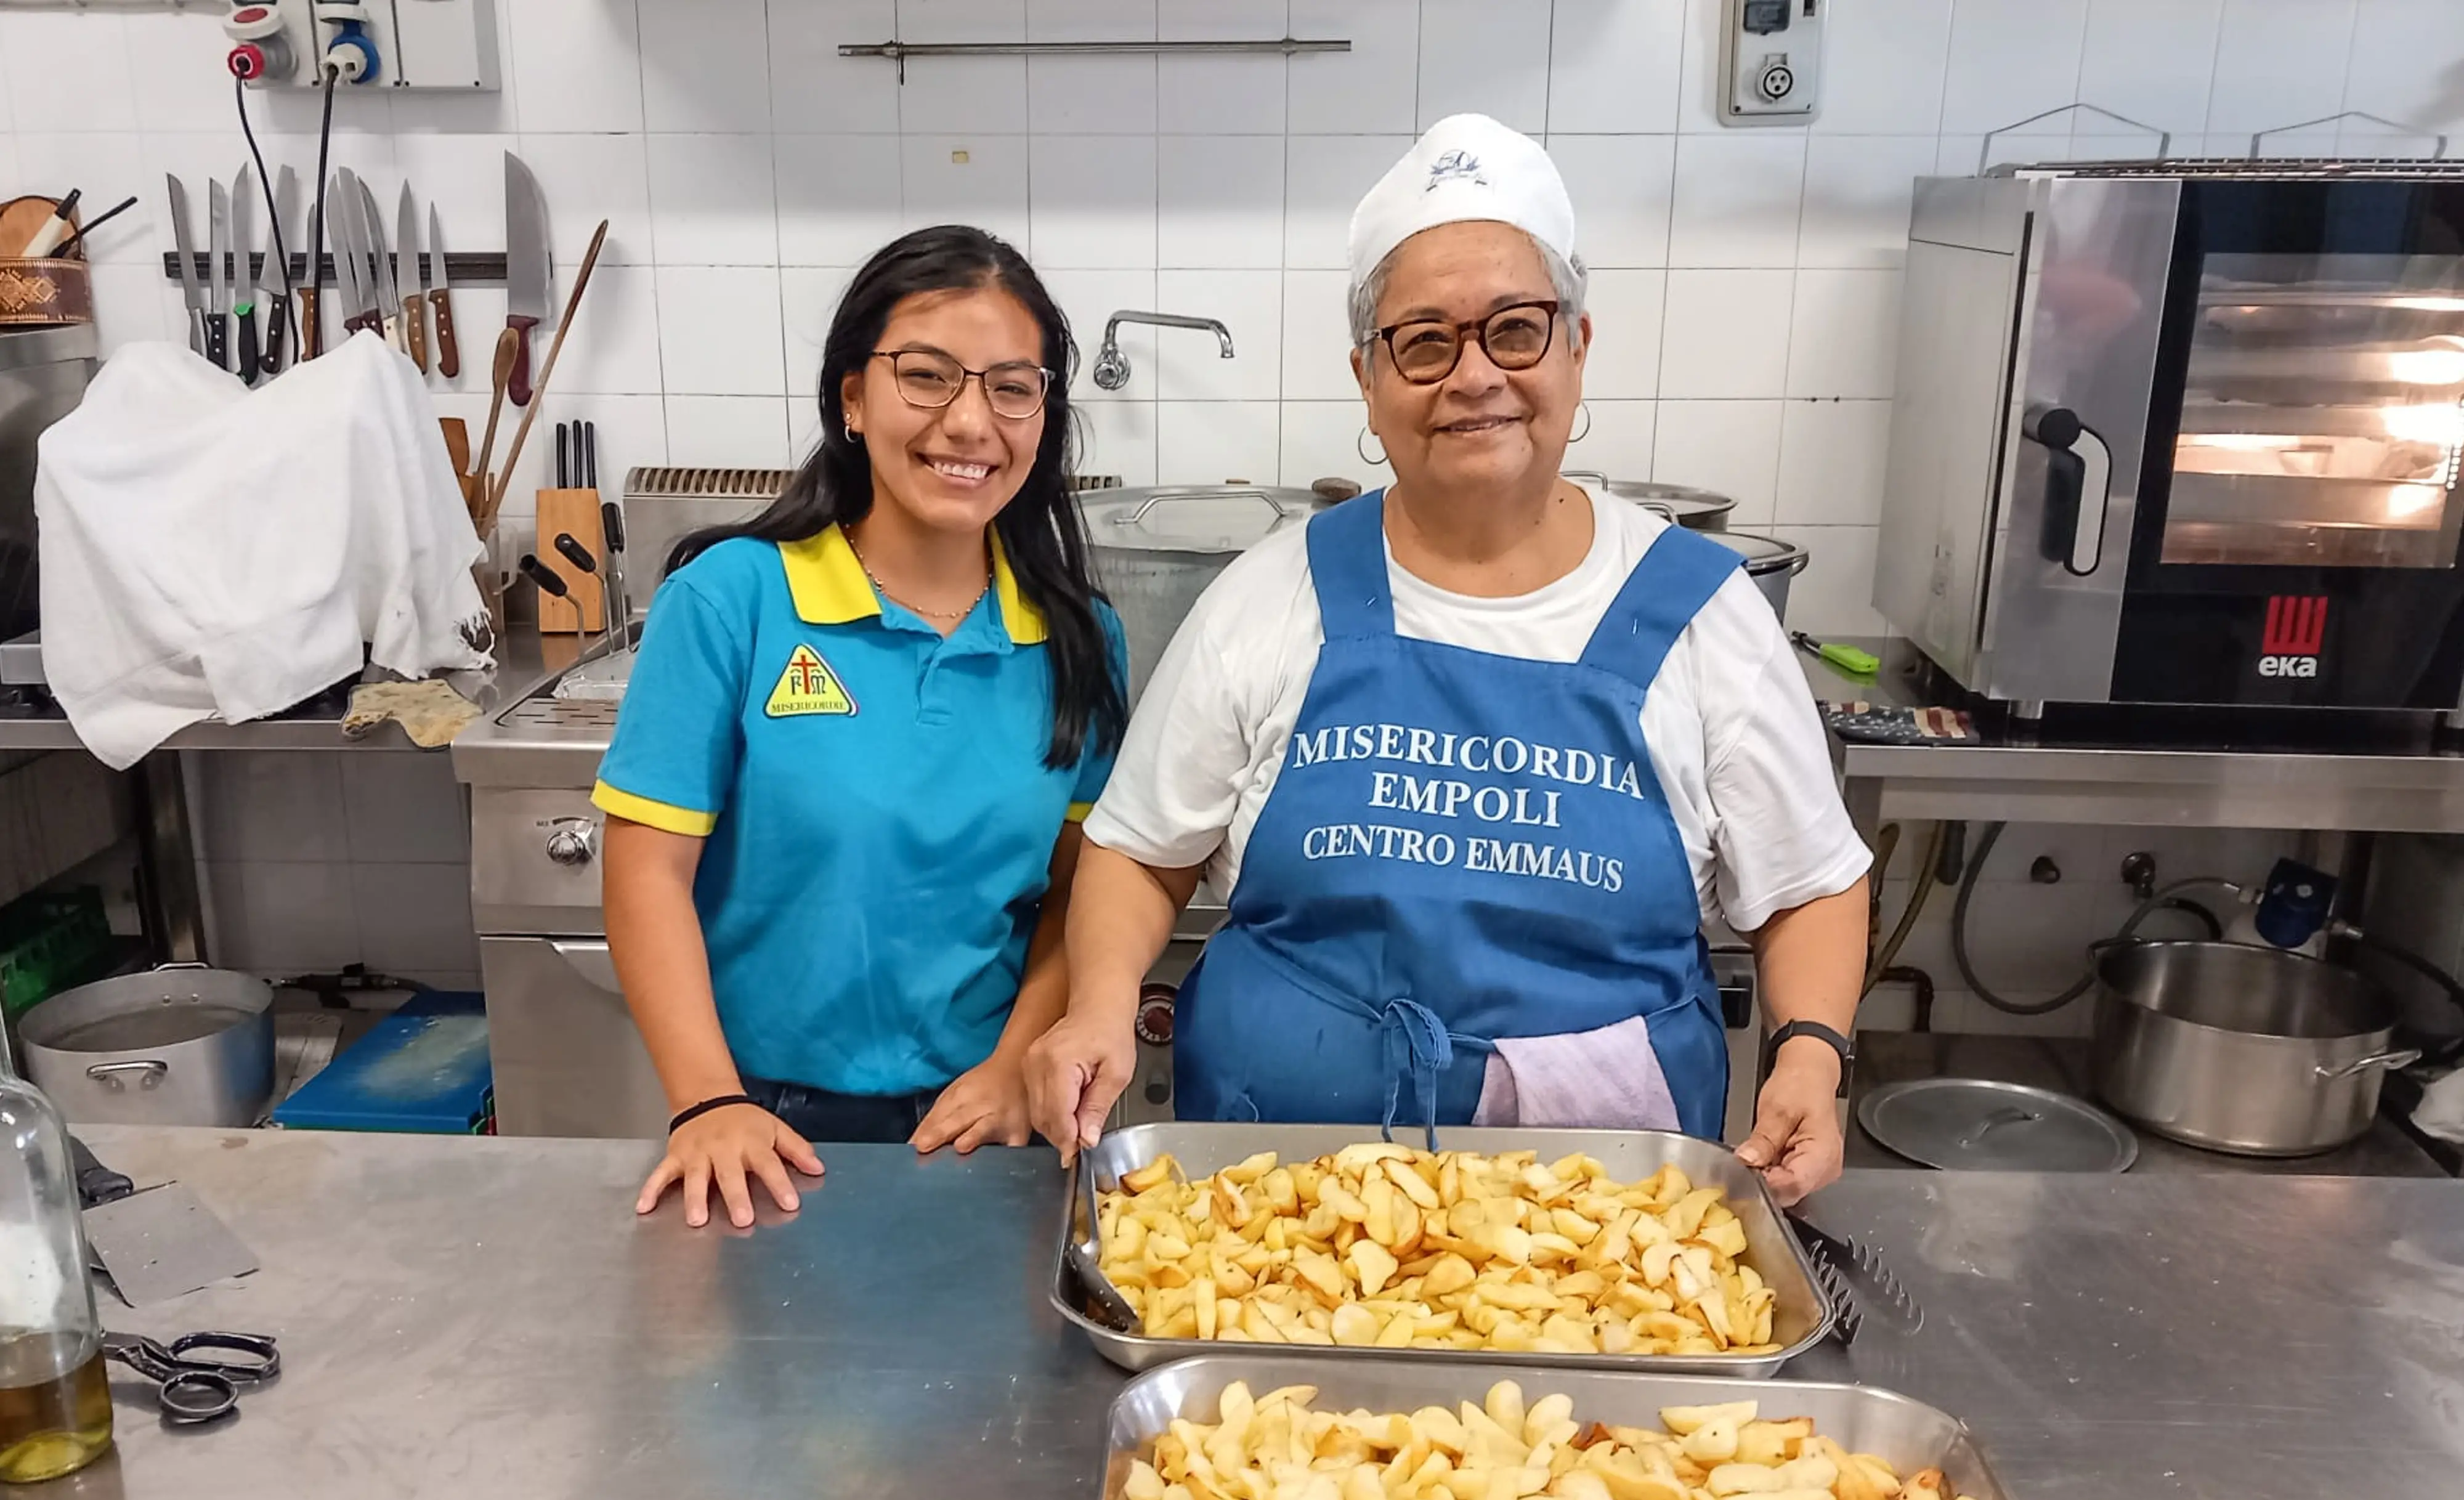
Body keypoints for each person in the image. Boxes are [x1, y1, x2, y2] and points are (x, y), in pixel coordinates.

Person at [1026, 116, 1870, 1205]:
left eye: (1514, 329)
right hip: (1273, 1207)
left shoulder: (1700, 613)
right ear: (1369, 379)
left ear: (1576, 344)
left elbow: (1807, 885)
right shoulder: (1274, 593)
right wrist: (1097, 1002)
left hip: (1601, 1227)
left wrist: (1811, 1053)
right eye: (1424, 340)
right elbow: (1141, 850)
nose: (1474, 375)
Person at [596, 225, 1127, 1228]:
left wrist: (1017, 1064)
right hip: (764, 1138)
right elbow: (645, 872)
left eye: (1013, 388)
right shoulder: (733, 602)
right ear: (852, 397)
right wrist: (708, 1102)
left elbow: (1079, 897)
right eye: (926, 376)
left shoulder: (1077, 638)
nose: (971, 421)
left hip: (986, 1133)